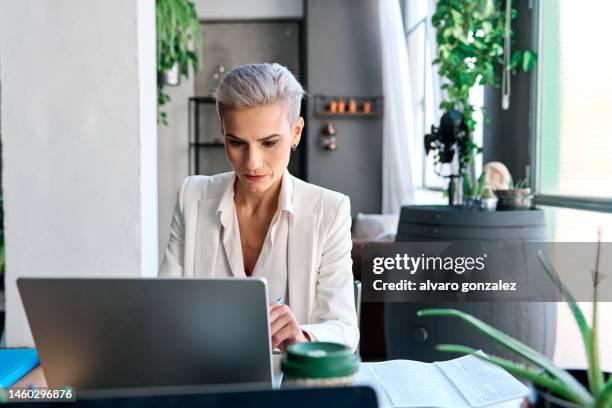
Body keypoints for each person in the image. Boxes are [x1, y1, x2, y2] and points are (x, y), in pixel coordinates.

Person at [159, 63, 359, 351]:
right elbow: (165, 307)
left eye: (269, 143)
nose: (252, 162)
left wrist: (301, 336)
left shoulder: (330, 210)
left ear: (296, 133)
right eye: (237, 142)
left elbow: (344, 329)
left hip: (288, 384)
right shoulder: (192, 197)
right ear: (223, 132)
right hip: (204, 375)